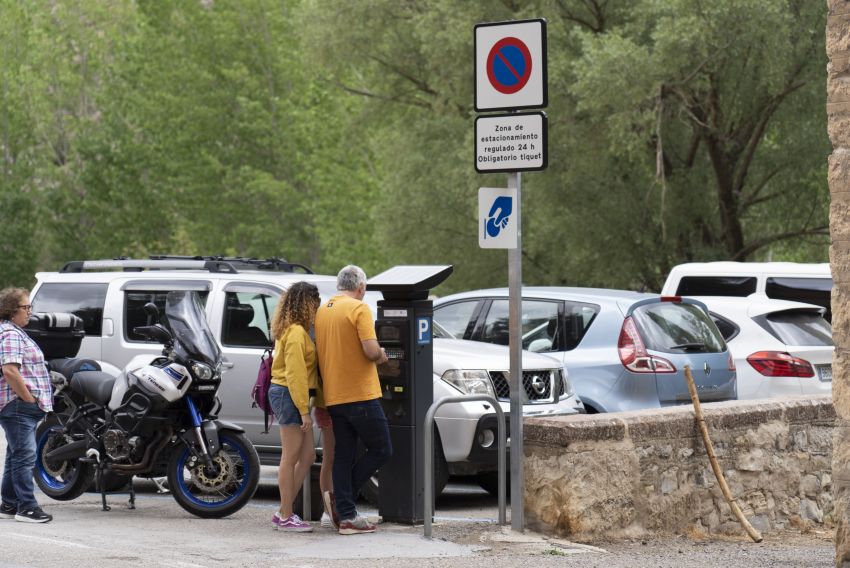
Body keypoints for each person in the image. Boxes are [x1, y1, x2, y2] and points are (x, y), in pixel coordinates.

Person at [315, 265, 391, 535]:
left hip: (335, 396)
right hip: (361, 393)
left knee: (343, 456)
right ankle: (342, 501)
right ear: (361, 287)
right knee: (382, 449)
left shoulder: (324, 310)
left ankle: (347, 517)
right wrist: (383, 355)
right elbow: (370, 351)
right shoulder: (359, 309)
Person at [268, 282, 322, 532]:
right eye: (315, 302)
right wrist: (303, 410)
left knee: (308, 455)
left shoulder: (289, 329)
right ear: (306, 303)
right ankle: (287, 516)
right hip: (290, 396)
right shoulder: (297, 333)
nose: (317, 307)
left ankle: (283, 510)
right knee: (290, 458)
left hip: (290, 395)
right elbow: (296, 375)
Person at [0, 288, 53, 523]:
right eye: (26, 307)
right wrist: (28, 398)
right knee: (25, 455)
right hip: (18, 405)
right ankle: (27, 508)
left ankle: (9, 504)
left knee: (15, 454)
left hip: (21, 406)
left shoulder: (15, 332)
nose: (30, 312)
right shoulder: (11, 334)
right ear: (12, 311)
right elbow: (10, 370)